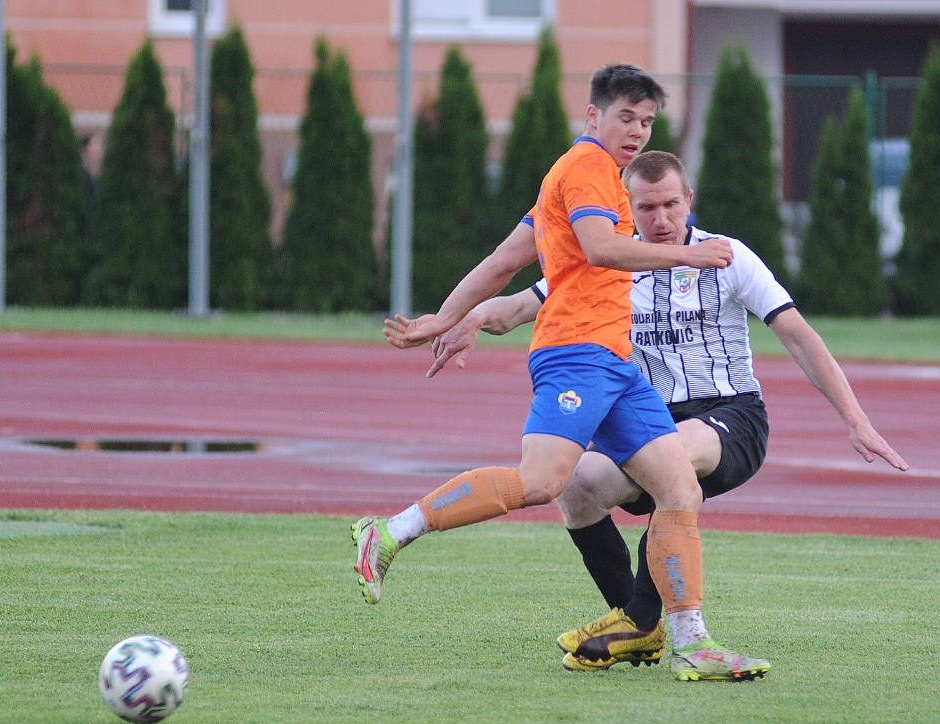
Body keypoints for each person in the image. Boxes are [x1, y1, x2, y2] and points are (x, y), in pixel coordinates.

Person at [408, 149, 910, 672]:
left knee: (672, 463)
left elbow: (799, 336)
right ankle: (637, 625)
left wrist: (857, 420)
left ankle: (644, 621)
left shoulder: (727, 256)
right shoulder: (607, 264)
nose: (662, 218)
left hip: (731, 417)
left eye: (671, 204)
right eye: (646, 207)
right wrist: (464, 318)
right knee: (575, 485)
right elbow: (516, 306)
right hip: (649, 421)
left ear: (689, 200)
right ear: (624, 208)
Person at [355, 63, 767, 683]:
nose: (637, 131)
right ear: (593, 115)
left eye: (647, 121)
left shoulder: (578, 176)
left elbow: (505, 261)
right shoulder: (587, 167)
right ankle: (390, 532)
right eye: (625, 117)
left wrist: (445, 317)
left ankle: (693, 642)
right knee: (543, 481)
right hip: (577, 353)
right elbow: (602, 249)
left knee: (679, 490)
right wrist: (688, 253)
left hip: (616, 362)